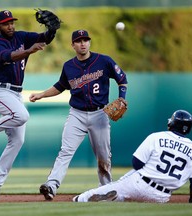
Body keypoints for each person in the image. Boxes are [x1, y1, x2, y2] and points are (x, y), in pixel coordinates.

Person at [29, 29, 128, 200]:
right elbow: (60, 86)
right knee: (65, 151)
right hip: (77, 114)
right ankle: (51, 185)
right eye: (79, 41)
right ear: (73, 45)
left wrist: (122, 98)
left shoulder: (103, 61)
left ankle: (105, 189)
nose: (83, 43)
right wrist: (41, 94)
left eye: (85, 40)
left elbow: (122, 79)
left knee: (103, 157)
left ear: (89, 42)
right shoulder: (69, 66)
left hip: (99, 114)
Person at [0, 10, 58, 202]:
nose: (10, 26)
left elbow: (44, 39)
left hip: (16, 93)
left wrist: (52, 29)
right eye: (6, 23)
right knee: (22, 116)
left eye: (12, 22)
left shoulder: (21, 35)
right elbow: (11, 56)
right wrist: (29, 51)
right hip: (0, 91)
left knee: (17, 141)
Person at [73, 110, 192, 203]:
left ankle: (81, 199)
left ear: (173, 123)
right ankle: (115, 196)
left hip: (139, 184)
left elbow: (136, 163)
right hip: (161, 197)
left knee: (115, 188)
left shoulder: (157, 137)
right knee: (124, 194)